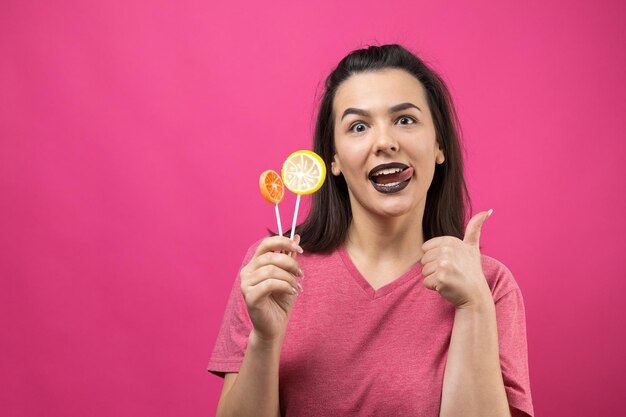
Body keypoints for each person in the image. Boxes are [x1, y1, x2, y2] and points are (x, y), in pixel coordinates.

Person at [208, 44, 534, 417]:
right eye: (359, 127)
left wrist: (473, 305)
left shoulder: (489, 285)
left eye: (405, 120)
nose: (384, 142)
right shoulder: (275, 269)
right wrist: (264, 340)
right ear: (333, 159)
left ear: (439, 143)